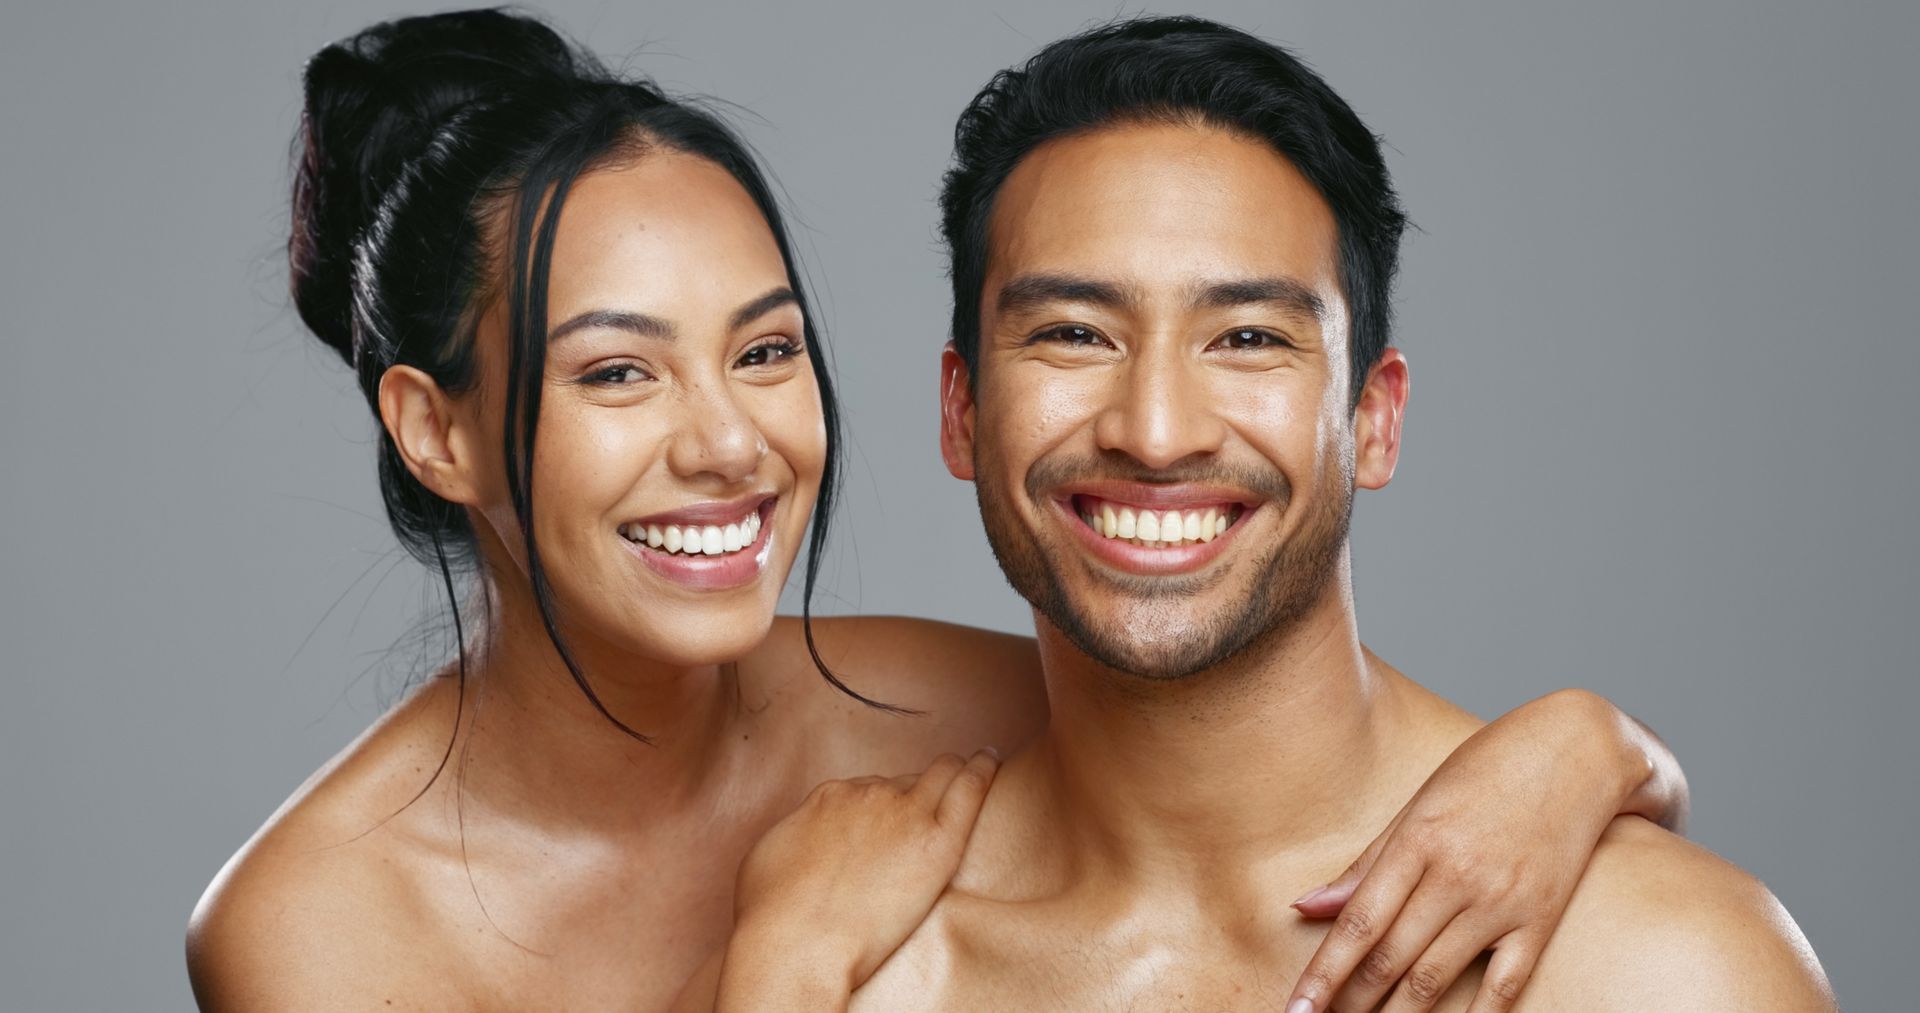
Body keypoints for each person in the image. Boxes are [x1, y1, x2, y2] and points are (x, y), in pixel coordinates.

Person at [188, 11, 1692, 1011]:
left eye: (768, 350)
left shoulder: (926, 707)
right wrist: (774, 973)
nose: (729, 442)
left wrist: (1588, 750)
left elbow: (1222, 695)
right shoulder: (318, 929)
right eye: (616, 372)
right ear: (436, 427)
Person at [837, 16, 1834, 1012]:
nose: (1154, 431)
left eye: (1246, 337)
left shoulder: (1658, 966)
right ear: (961, 412)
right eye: (1074, 333)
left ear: (1373, 418)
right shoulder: (860, 955)